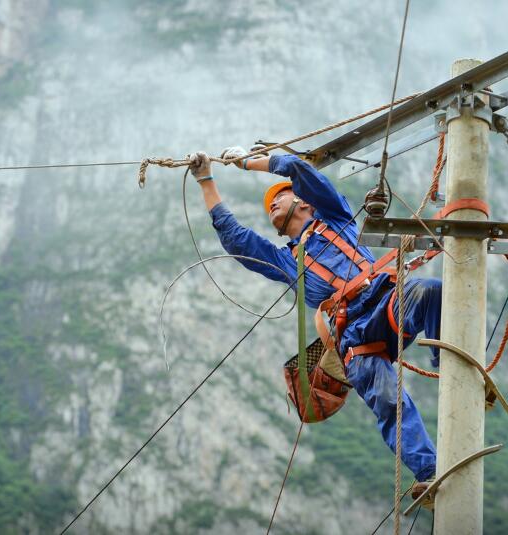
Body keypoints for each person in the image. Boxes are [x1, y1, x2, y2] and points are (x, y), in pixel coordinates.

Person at [189, 147, 441, 495]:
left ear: (304, 202)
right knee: (386, 399)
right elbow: (236, 238)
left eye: (280, 197)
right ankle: (428, 471)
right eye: (269, 206)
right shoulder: (285, 262)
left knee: (428, 292)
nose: (271, 205)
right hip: (353, 333)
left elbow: (294, 167)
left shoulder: (335, 215)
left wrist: (247, 162)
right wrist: (206, 181)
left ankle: (451, 371)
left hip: (384, 299)